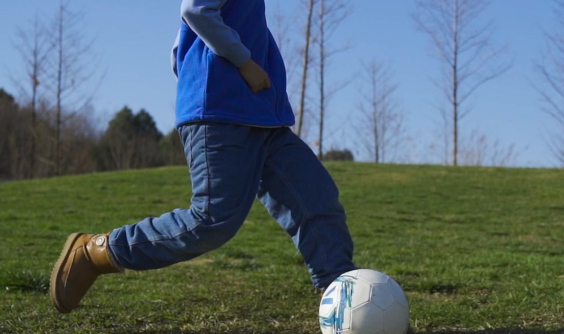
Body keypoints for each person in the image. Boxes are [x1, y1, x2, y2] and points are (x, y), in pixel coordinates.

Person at [50, 0, 357, 314]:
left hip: (264, 116)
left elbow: (177, 49)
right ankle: (98, 252)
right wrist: (241, 64)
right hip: (220, 114)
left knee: (314, 197)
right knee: (212, 219)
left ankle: (344, 296)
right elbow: (195, 10)